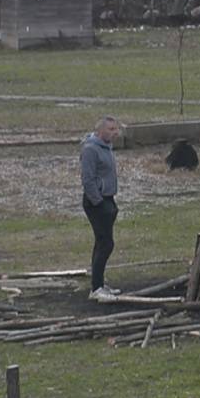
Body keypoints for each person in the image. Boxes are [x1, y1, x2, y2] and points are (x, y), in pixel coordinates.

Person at [81, 116, 122, 300]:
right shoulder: (91, 149)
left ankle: (98, 284)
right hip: (96, 202)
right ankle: (96, 289)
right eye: (111, 129)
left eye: (116, 129)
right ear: (100, 131)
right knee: (106, 243)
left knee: (102, 242)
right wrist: (98, 202)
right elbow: (87, 179)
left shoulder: (106, 147)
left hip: (108, 199)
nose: (115, 133)